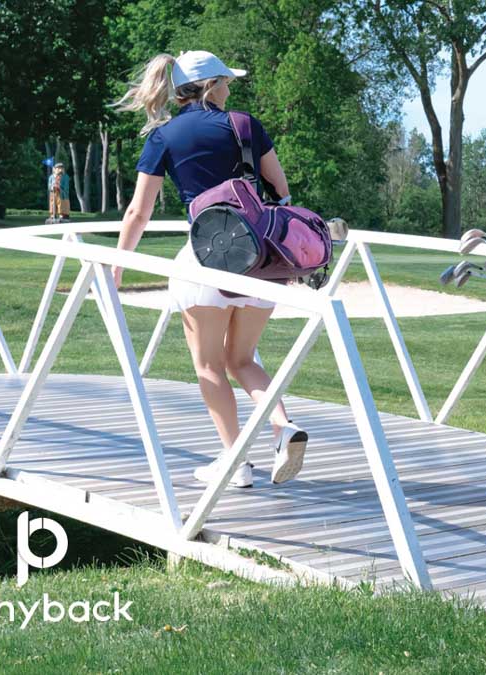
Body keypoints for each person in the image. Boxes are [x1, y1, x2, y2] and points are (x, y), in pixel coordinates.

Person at [112, 50, 307, 489]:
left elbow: (138, 213)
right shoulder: (245, 125)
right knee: (243, 359)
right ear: (209, 86)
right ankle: (283, 428)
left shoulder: (164, 136)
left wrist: (117, 267)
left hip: (204, 262)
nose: (229, 88)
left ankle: (236, 463)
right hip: (260, 262)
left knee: (209, 366)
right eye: (225, 81)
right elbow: (280, 190)